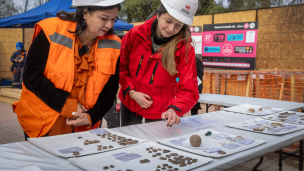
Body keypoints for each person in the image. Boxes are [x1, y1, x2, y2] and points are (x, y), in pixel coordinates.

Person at [12, 0, 123, 139]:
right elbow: (31, 77)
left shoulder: (115, 45)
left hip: (83, 129)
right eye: (104, 18)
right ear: (85, 13)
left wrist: (91, 117)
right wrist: (69, 106)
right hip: (42, 124)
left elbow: (110, 91)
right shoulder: (51, 30)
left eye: (114, 19)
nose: (109, 25)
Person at [119, 0, 200, 127]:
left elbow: (189, 89)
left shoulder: (185, 48)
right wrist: (132, 92)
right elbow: (121, 68)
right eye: (168, 21)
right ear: (158, 14)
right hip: (131, 101)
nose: (171, 29)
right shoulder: (135, 35)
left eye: (178, 25)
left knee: (157, 146)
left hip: (162, 110)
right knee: (128, 142)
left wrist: (174, 109)